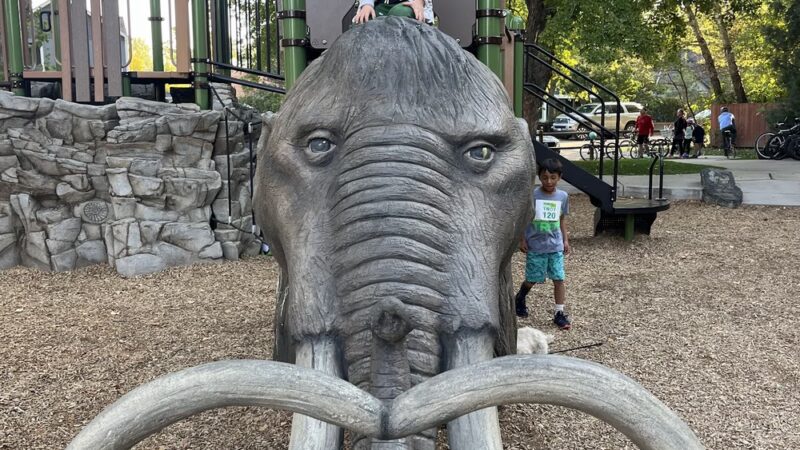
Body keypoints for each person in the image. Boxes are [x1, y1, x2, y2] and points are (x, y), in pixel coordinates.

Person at [514, 158, 571, 330]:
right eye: (545, 177)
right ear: (539, 177)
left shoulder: (562, 196)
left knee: (558, 278)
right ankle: (520, 297)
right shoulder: (533, 195)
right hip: (535, 246)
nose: (549, 181)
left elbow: (561, 219)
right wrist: (522, 239)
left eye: (553, 177)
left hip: (555, 246)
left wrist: (565, 239)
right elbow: (523, 218)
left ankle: (559, 313)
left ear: (559, 177)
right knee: (532, 279)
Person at [354, 0, 434, 24]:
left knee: (400, 14)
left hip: (408, 4)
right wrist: (367, 5)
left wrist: (419, 2)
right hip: (380, 5)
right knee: (364, 19)